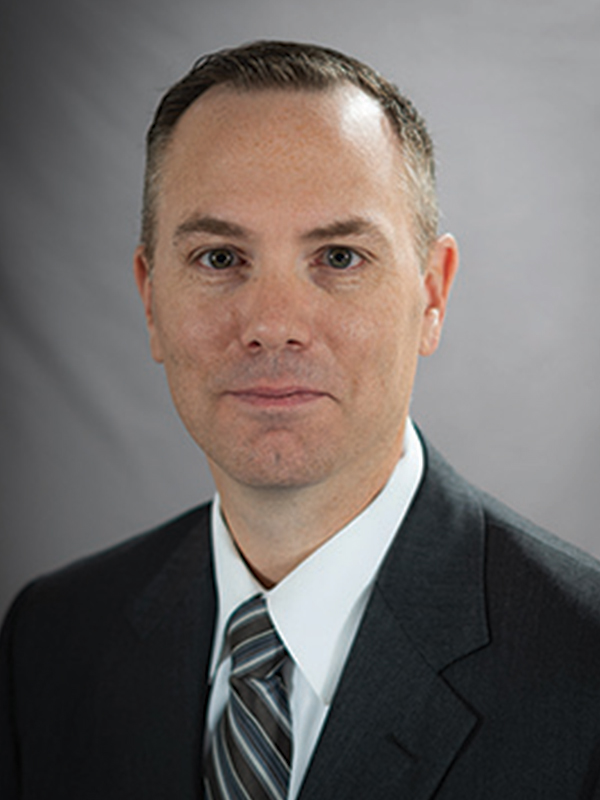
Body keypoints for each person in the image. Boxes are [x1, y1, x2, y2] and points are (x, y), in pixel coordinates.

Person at [2, 40, 600, 800]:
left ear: (433, 296)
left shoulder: (584, 666)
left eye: (340, 258)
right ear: (150, 300)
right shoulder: (50, 640)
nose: (274, 324)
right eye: (220, 258)